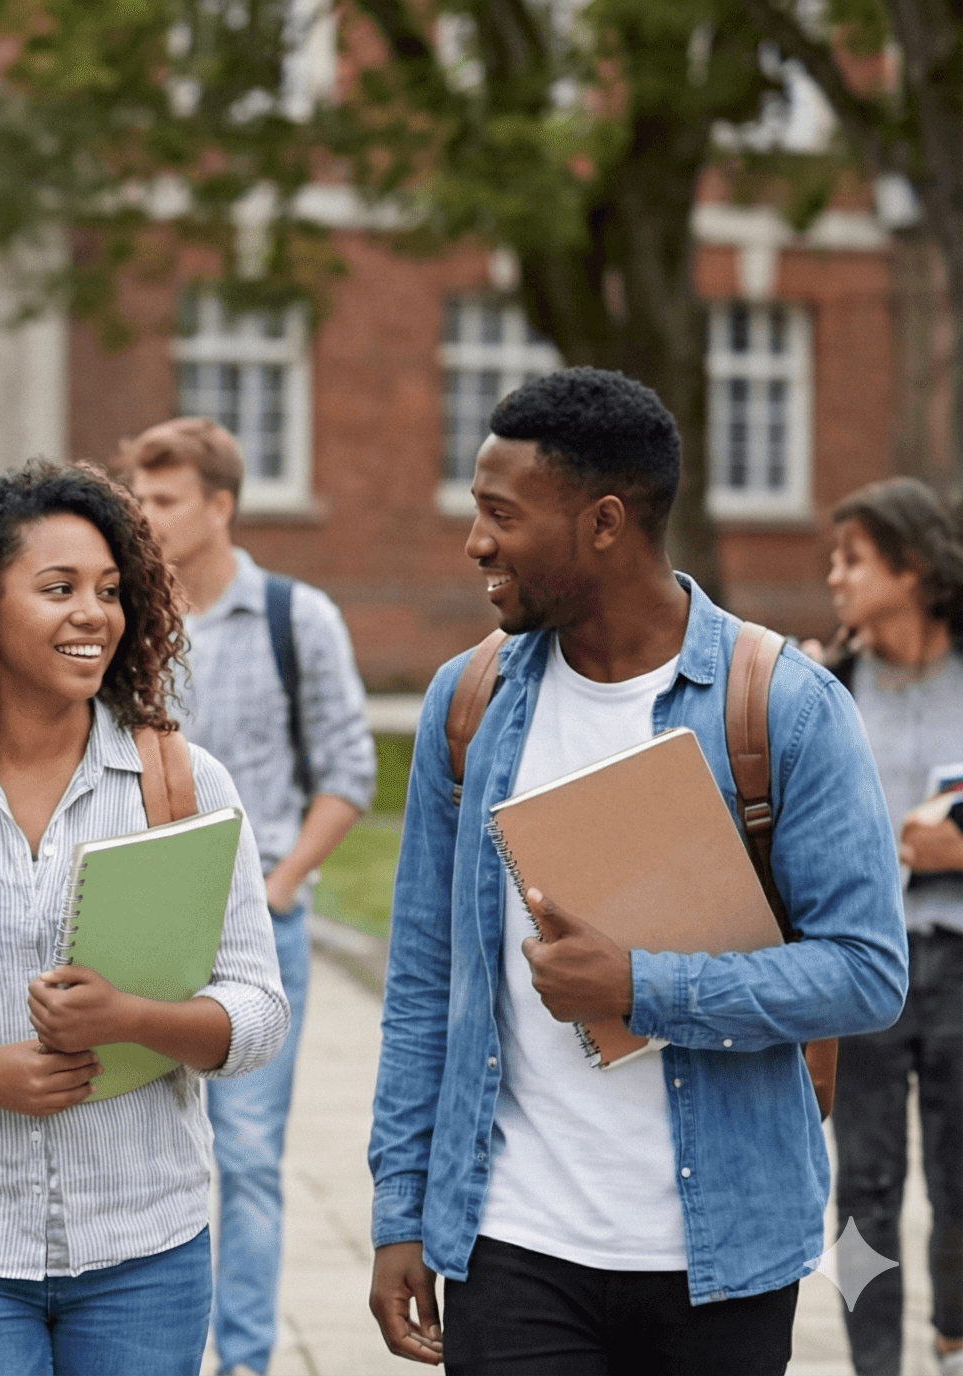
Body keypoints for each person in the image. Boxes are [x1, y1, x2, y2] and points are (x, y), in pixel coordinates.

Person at [364, 368, 907, 1374]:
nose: (475, 541)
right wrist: (399, 1210)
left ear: (602, 520)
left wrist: (639, 988)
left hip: (720, 1254)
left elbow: (866, 971)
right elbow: (421, 980)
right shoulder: (467, 700)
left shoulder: (779, 705)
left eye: (499, 514)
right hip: (510, 1240)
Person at [0, 461, 290, 1376]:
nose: (93, 615)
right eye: (58, 589)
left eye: (110, 591)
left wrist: (135, 1022)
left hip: (147, 1244)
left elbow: (259, 1013)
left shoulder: (184, 790)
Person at [111, 418, 376, 1376]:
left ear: (220, 506)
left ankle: (249, 1360)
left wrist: (283, 882)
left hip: (258, 930)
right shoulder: (122, 619)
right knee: (135, 1149)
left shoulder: (294, 618)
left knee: (252, 1160)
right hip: (135, 933)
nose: (143, 516)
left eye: (165, 499)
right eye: (136, 497)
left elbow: (350, 770)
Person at [815, 477, 963, 1376]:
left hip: (962, 962)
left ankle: (955, 1344)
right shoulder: (824, 688)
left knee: (961, 1181)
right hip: (864, 970)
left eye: (853, 560)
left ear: (910, 569)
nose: (835, 578)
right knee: (862, 1192)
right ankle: (875, 1365)